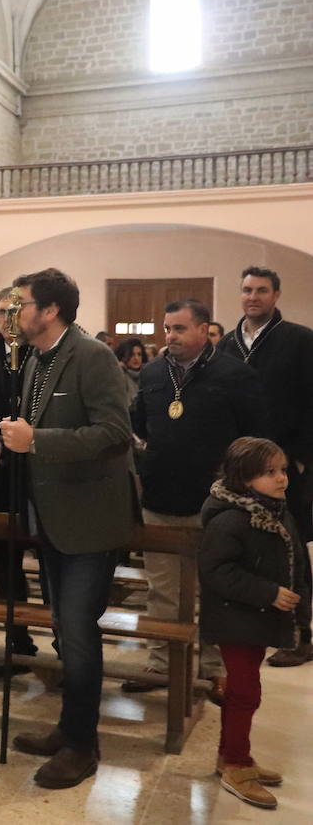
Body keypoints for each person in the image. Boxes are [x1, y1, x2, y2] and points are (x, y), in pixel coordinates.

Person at [0, 268, 137, 789]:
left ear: (49, 311)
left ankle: (81, 745)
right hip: (49, 518)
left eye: (20, 303)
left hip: (90, 519)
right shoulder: (35, 361)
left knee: (79, 634)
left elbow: (116, 433)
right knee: (64, 632)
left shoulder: (91, 356)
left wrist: (37, 440)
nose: (13, 312)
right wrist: (4, 448)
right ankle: (68, 729)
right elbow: (32, 433)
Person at [124, 299, 266, 700]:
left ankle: (213, 667)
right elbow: (139, 424)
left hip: (216, 504)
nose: (171, 337)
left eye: (180, 329)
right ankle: (159, 664)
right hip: (161, 497)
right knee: (162, 589)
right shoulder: (153, 372)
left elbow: (255, 437)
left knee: (215, 590)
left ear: (204, 330)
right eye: (167, 328)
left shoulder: (235, 375)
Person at [200, 437, 310, 810]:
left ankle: (232, 756)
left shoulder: (273, 509)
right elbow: (216, 571)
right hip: (236, 618)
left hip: (253, 618)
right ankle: (235, 763)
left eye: (282, 470)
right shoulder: (231, 519)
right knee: (246, 692)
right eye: (270, 472)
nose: (282, 479)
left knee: (244, 692)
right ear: (243, 478)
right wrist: (267, 593)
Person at [216, 266, 313, 666]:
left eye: (260, 290)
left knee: (291, 546)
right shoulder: (225, 345)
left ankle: (301, 634)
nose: (252, 296)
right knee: (249, 546)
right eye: (246, 290)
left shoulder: (301, 341)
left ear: (275, 295)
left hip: (285, 466)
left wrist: (303, 459)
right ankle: (252, 626)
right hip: (239, 467)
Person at [0, 288, 38, 676]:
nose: (6, 320)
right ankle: (18, 640)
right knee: (4, 559)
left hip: (39, 470)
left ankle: (66, 647)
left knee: (52, 563)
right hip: (2, 475)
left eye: (12, 312)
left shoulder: (40, 355)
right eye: (0, 313)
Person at [115, 337, 147, 403]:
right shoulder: (118, 374)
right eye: (132, 354)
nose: (136, 358)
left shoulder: (147, 374)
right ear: (124, 356)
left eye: (139, 354)